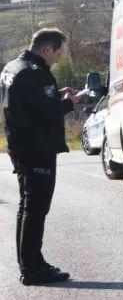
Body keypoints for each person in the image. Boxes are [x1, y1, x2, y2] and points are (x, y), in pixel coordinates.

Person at [1, 28, 78, 285]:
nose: (58, 58)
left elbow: (28, 103)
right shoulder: (35, 73)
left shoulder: (12, 67)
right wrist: (70, 101)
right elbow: (48, 112)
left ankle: (30, 263)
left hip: (21, 145)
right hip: (37, 147)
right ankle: (33, 269)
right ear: (47, 49)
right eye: (58, 53)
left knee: (27, 207)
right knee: (36, 209)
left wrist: (54, 95)